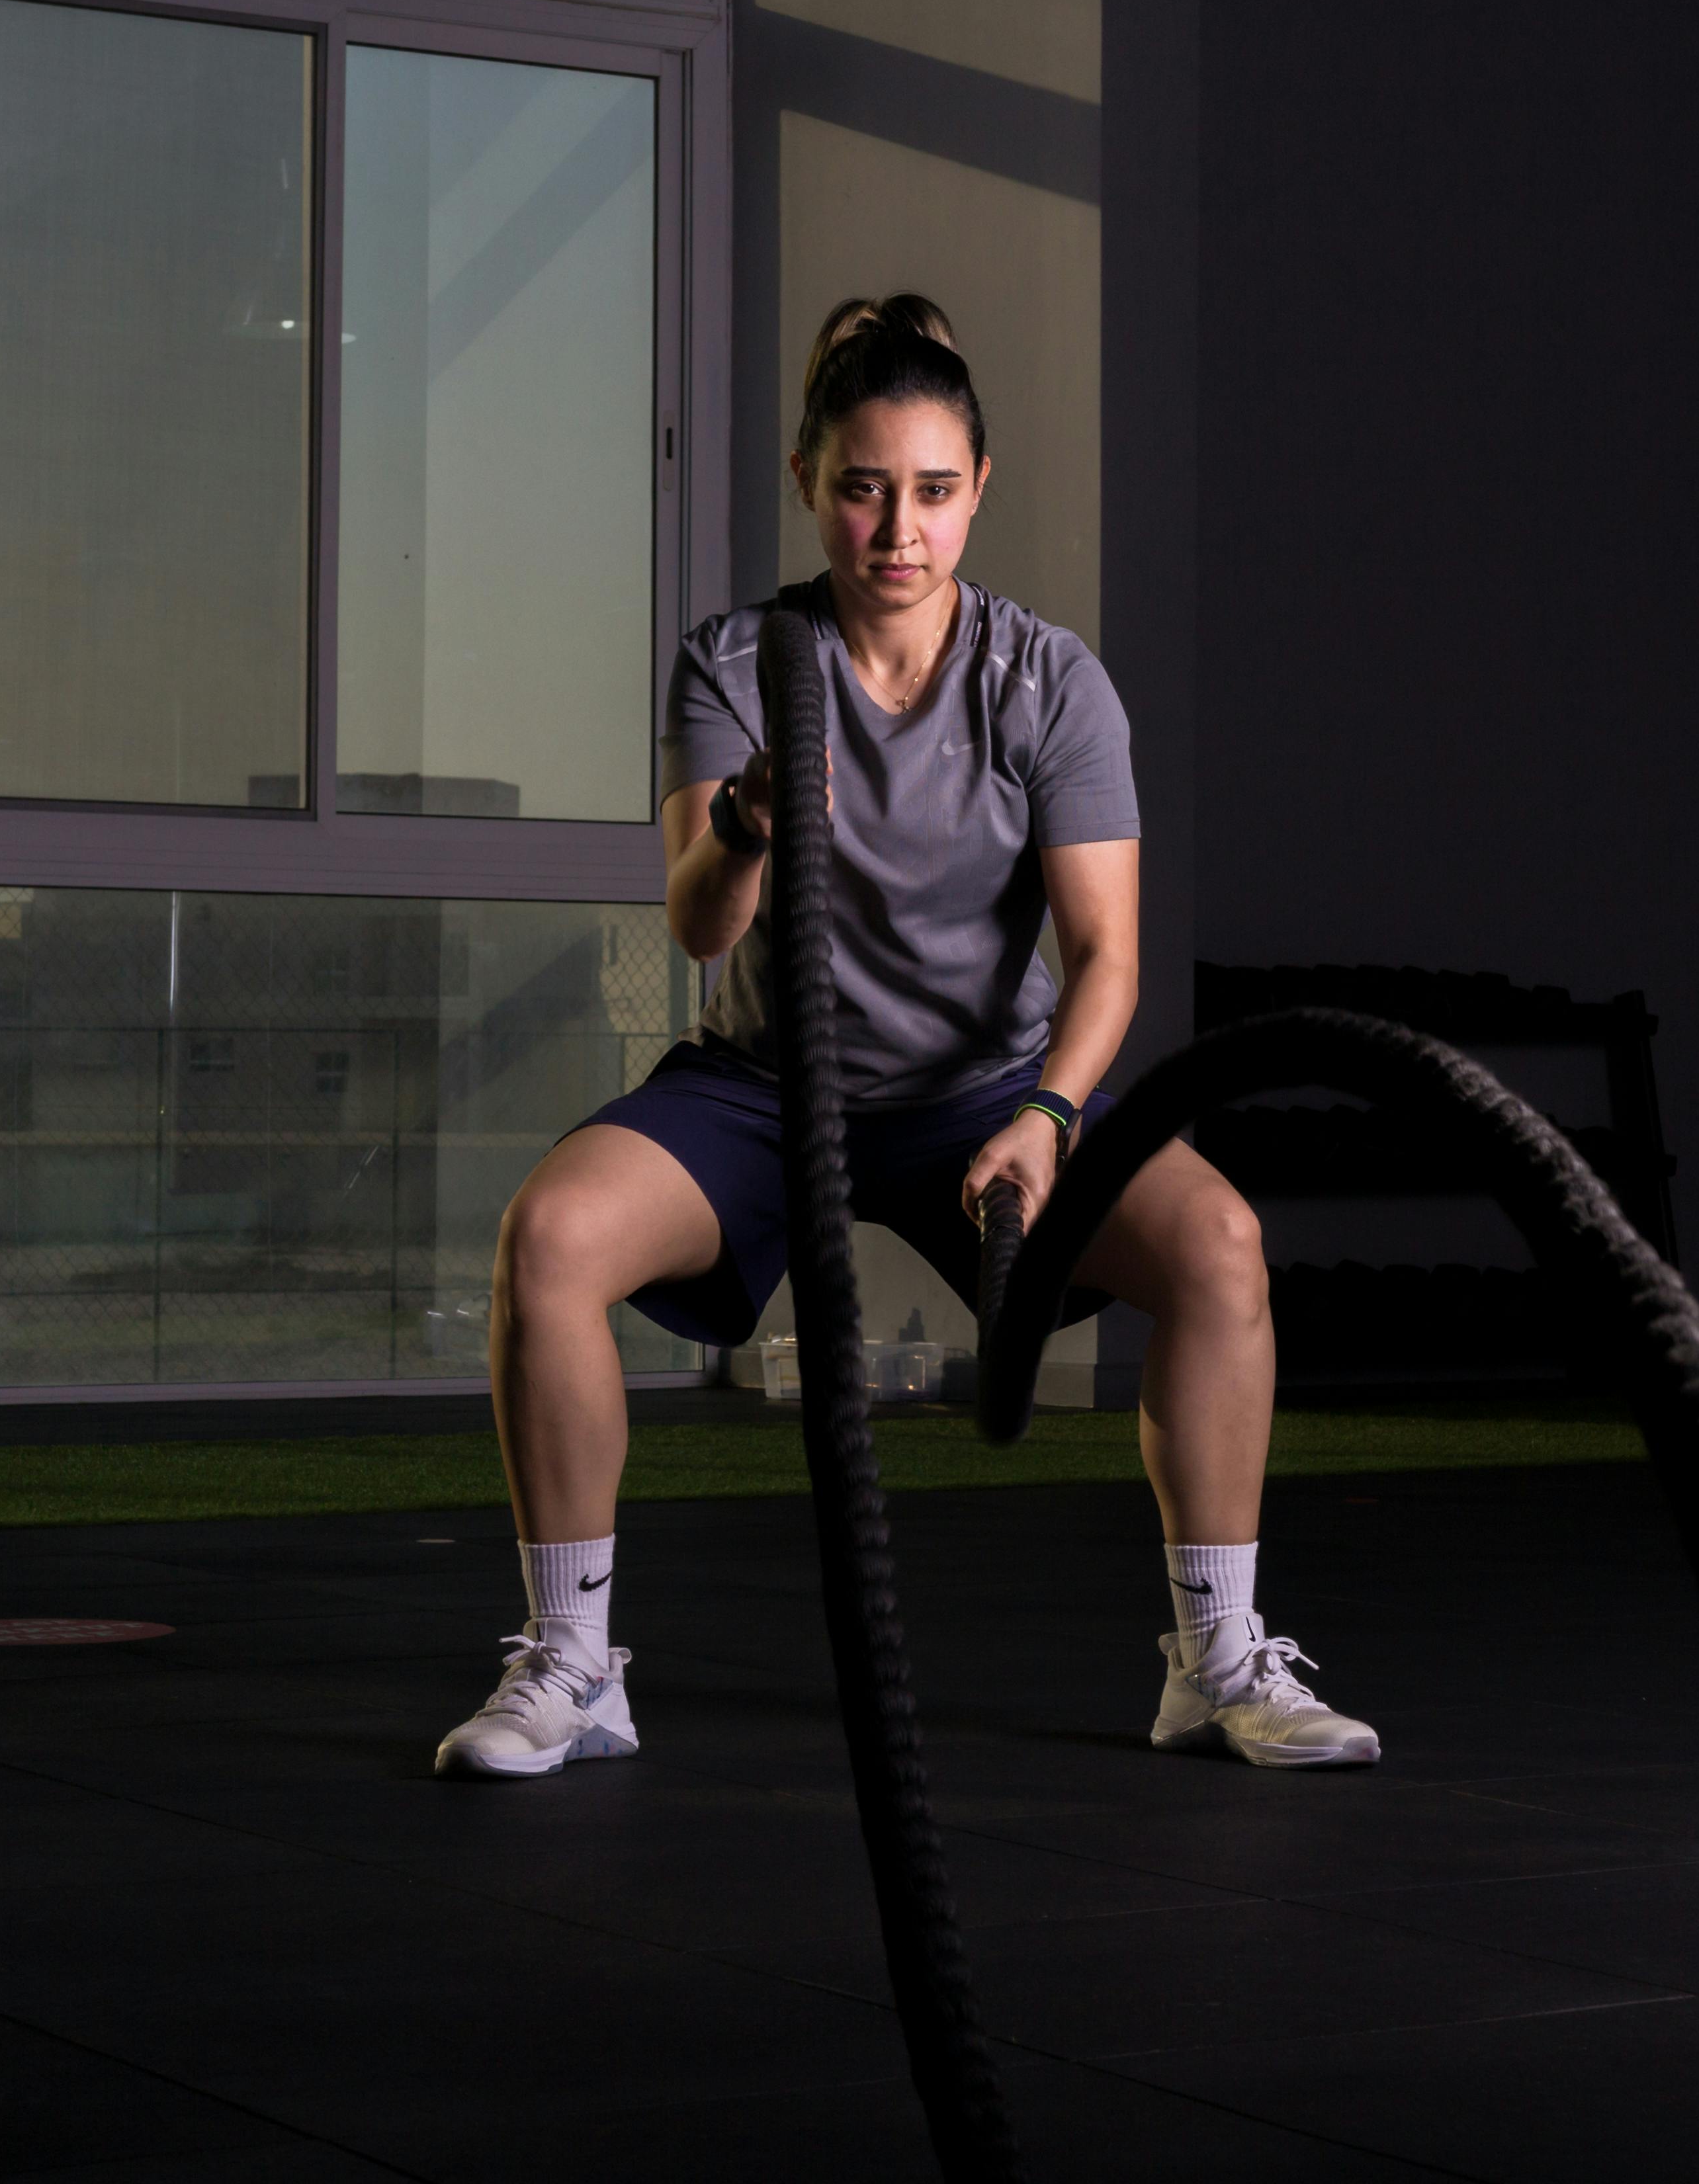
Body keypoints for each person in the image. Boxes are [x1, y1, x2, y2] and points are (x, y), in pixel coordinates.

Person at [436, 296, 1375, 1780]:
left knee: (1221, 1247)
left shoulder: (1048, 682)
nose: (898, 528)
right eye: (864, 486)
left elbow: (1109, 959)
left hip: (984, 1095)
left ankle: (1219, 1660)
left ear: (979, 486)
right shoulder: (736, 659)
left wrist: (1052, 1116)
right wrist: (748, 827)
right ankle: (571, 1663)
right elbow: (695, 932)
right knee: (548, 1238)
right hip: (761, 1091)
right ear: (811, 479)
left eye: (934, 491)